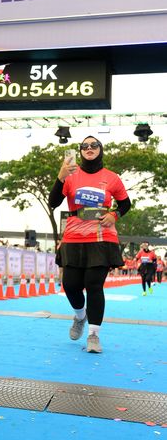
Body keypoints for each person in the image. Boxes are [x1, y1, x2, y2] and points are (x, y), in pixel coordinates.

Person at [49, 136, 131, 354]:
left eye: (94, 145)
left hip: (102, 237)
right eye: (84, 146)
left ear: (100, 149)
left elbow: (125, 203)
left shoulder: (112, 178)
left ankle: (93, 335)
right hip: (74, 237)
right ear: (80, 151)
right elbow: (53, 202)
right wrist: (60, 177)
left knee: (94, 285)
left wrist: (114, 214)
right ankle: (80, 316)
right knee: (71, 285)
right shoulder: (70, 175)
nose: (89, 148)